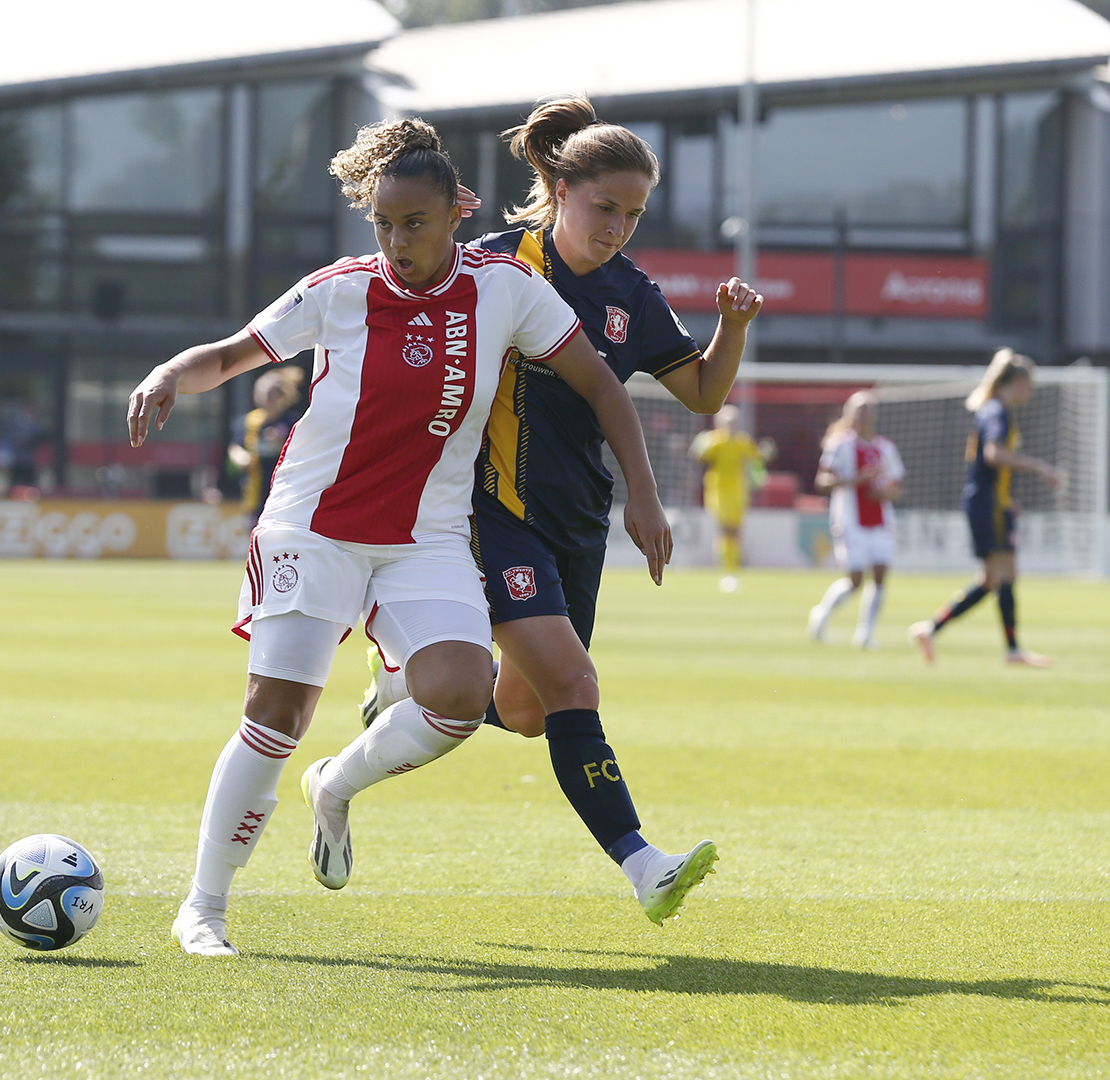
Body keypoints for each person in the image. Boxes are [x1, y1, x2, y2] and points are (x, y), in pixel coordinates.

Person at [126, 117, 671, 957]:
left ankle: (335, 786)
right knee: (276, 715)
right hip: (317, 527)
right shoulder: (340, 288)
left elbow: (601, 384)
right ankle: (203, 906)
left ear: (456, 213)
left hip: (427, 538)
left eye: (413, 224)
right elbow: (235, 354)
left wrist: (644, 494)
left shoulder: (506, 288)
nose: (395, 241)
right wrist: (169, 373)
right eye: (382, 224)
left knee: (459, 694)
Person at [323, 95, 762, 926]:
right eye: (605, 207)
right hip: (491, 512)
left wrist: (730, 330)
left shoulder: (633, 292)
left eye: (633, 214)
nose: (618, 227)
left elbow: (701, 393)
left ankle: (397, 695)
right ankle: (643, 864)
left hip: (576, 522)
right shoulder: (492, 262)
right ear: (560, 189)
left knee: (527, 712)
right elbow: (404, 308)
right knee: (576, 683)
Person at [910, 349, 1060, 667]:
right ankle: (1013, 650)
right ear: (1016, 382)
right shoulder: (996, 412)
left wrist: (1009, 499)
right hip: (988, 502)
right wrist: (1038, 466)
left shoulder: (995, 410)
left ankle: (930, 629)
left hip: (992, 501)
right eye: (1029, 385)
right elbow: (993, 454)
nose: (1030, 392)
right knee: (1005, 574)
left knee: (992, 579)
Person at [807, 391, 904, 649]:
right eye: (860, 410)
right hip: (850, 520)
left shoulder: (886, 448)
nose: (865, 415)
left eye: (869, 410)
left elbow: (896, 487)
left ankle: (865, 634)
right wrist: (855, 480)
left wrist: (884, 492)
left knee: (881, 574)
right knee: (856, 579)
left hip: (880, 520)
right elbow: (822, 481)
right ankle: (822, 613)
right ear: (850, 414)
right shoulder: (840, 444)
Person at [690, 403, 767, 591]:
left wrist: (764, 457)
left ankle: (733, 570)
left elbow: (758, 459)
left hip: (738, 492)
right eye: (728, 422)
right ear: (719, 423)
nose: (732, 425)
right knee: (725, 530)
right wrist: (698, 445)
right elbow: (698, 455)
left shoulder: (743, 442)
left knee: (736, 532)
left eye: (735, 422)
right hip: (718, 492)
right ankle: (727, 572)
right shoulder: (714, 441)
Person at [227, 368, 304, 525]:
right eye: (261, 393)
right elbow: (235, 447)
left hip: (285, 492)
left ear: (282, 396)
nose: (265, 398)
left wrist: (281, 444)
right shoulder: (249, 421)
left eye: (270, 394)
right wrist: (241, 458)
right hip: (255, 493)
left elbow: (304, 452)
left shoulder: (293, 422)